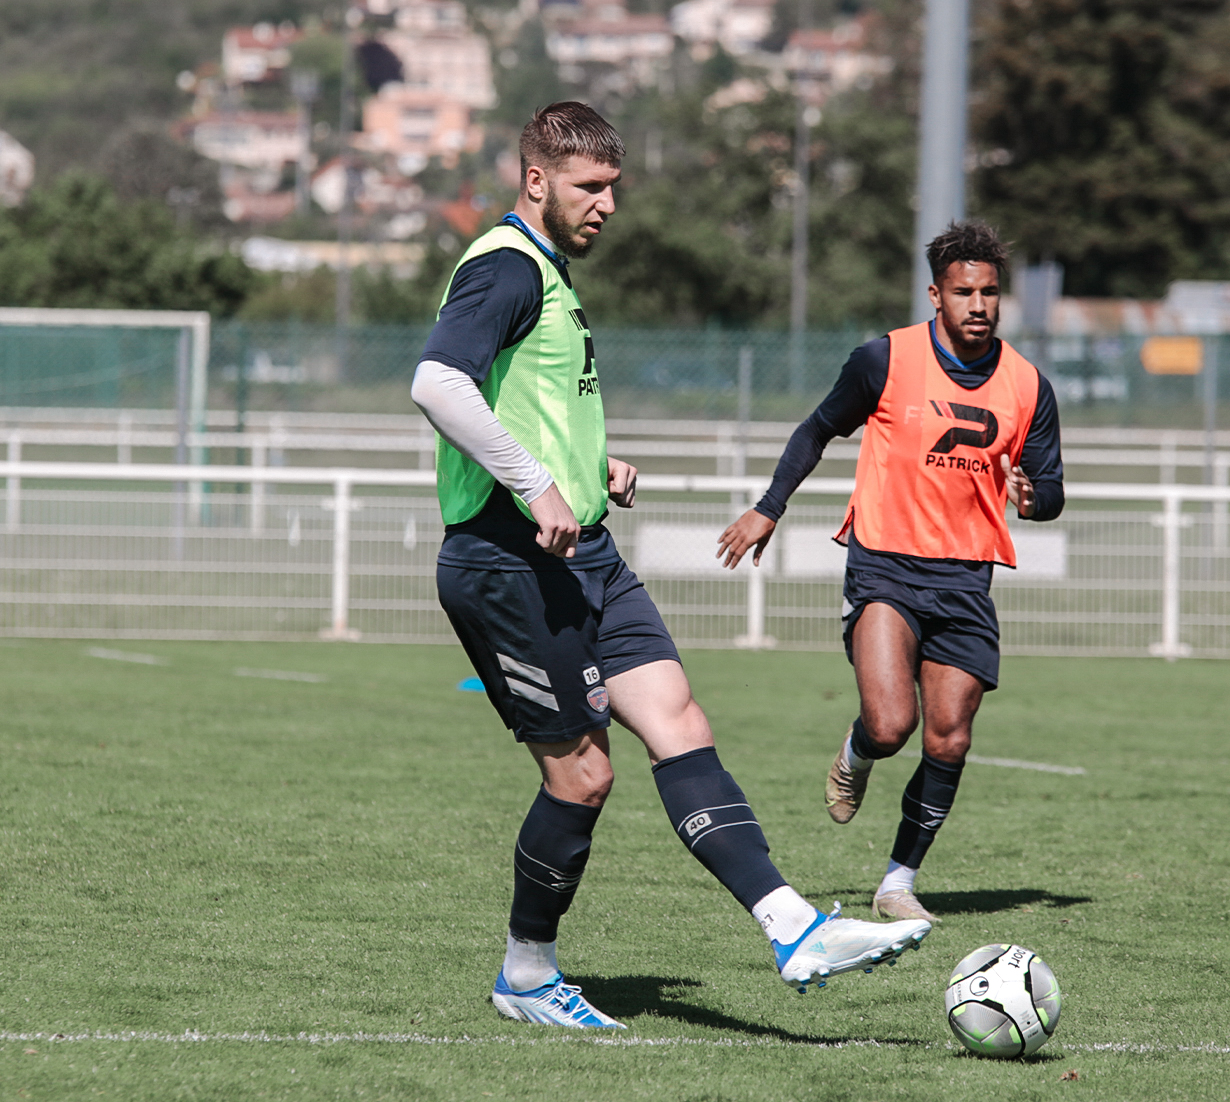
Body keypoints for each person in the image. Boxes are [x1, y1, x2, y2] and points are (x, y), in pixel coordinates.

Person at [410, 101, 930, 1029]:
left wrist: (588, 468)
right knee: (582, 778)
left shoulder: (553, 278)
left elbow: (523, 399)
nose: (607, 204)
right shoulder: (506, 266)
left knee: (679, 719)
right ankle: (526, 975)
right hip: (506, 561)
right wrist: (537, 484)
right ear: (537, 180)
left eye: (615, 188)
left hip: (584, 555)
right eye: (589, 187)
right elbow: (437, 382)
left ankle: (792, 927)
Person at [717, 220, 1064, 923]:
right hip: (885, 564)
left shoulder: (1029, 386)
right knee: (890, 722)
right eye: (964, 291)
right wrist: (767, 508)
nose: (979, 306)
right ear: (936, 294)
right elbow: (816, 428)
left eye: (990, 293)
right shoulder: (885, 360)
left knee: (951, 736)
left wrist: (1035, 496)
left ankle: (898, 882)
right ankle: (857, 750)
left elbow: (1051, 490)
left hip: (967, 578)